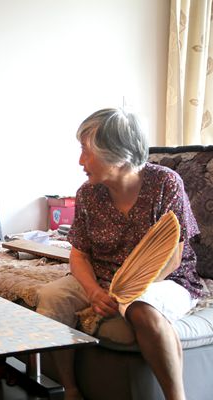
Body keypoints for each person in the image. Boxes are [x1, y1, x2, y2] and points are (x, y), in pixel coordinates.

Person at [36, 108, 203, 400]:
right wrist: (93, 291)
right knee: (51, 296)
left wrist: (127, 291)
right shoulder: (88, 193)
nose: (80, 161)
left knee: (141, 307)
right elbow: (79, 255)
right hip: (104, 276)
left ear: (118, 154)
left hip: (164, 279)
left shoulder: (165, 183)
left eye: (87, 152)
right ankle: (70, 390)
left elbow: (172, 257)